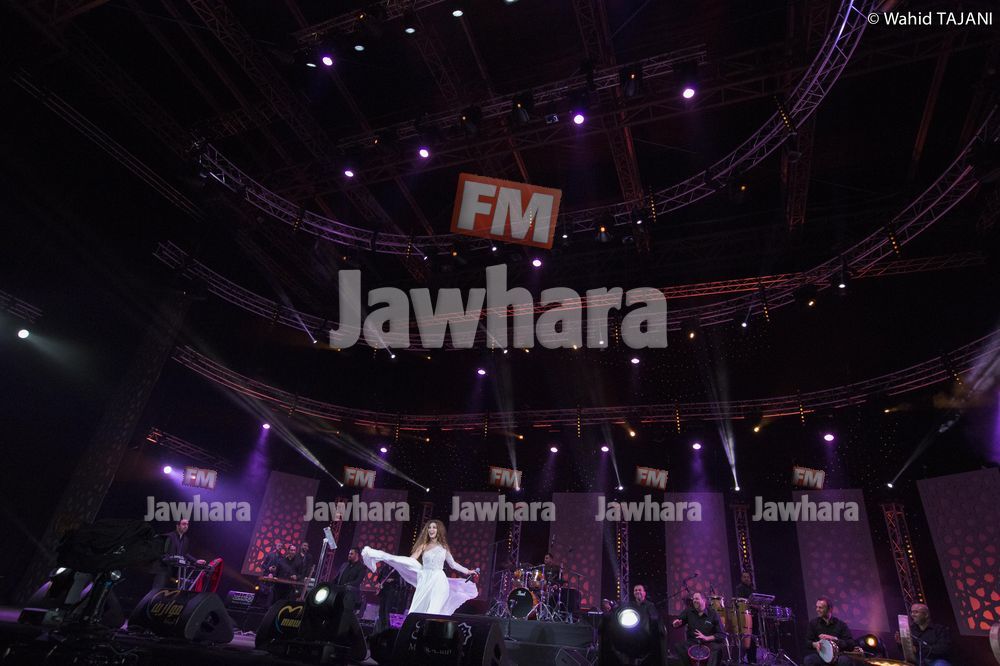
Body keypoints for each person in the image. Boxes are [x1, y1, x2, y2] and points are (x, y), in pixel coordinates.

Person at [361, 519, 478, 616]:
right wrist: (396, 560)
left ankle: (431, 632)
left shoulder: (444, 546)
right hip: (425, 579)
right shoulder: (423, 546)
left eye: (434, 527)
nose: (431, 530)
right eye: (429, 528)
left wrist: (468, 571)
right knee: (418, 608)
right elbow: (411, 560)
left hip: (439, 579)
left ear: (439, 530)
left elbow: (452, 564)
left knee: (434, 610)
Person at [148, 519, 204, 593]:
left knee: (170, 593)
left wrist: (196, 560)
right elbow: (160, 552)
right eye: (184, 524)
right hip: (163, 569)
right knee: (157, 591)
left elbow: (185, 553)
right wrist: (168, 558)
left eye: (187, 524)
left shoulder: (185, 539)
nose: (186, 526)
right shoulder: (169, 536)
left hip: (175, 571)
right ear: (177, 526)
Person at [672, 591, 724, 666]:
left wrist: (706, 638)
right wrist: (675, 624)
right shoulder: (688, 611)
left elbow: (722, 634)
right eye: (693, 599)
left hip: (708, 643)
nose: (694, 601)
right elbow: (678, 621)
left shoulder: (713, 614)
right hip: (693, 641)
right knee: (679, 646)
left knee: (717, 648)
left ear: (704, 600)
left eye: (697, 599)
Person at [803, 597, 859, 665]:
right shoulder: (813, 623)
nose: (817, 610)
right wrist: (815, 644)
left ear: (829, 609)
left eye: (820, 608)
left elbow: (851, 644)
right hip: (821, 656)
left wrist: (834, 639)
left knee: (845, 661)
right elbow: (807, 642)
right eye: (817, 607)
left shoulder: (841, 624)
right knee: (809, 660)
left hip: (837, 656)